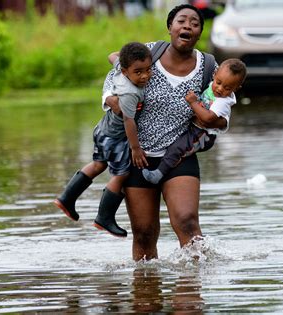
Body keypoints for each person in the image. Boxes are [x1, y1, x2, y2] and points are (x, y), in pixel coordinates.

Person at [102, 4, 228, 261]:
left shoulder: (209, 67)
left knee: (187, 222)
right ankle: (146, 294)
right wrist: (111, 100)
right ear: (170, 27)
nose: (187, 26)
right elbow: (114, 76)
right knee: (144, 233)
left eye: (194, 23)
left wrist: (218, 120)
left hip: (179, 155)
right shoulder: (148, 52)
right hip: (138, 155)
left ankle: (193, 291)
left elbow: (225, 100)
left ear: (199, 34)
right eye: (181, 21)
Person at [53, 42, 152, 238]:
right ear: (125, 72)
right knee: (121, 174)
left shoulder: (120, 68)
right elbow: (128, 120)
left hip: (102, 130)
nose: (144, 76)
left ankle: (67, 198)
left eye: (148, 70)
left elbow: (111, 55)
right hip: (116, 137)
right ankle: (104, 217)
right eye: (138, 72)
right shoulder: (130, 92)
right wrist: (135, 148)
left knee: (98, 164)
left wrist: (122, 59)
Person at [142, 58, 247, 184]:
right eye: (218, 82)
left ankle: (158, 174)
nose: (219, 89)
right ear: (215, 74)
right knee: (176, 145)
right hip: (195, 129)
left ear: (236, 88)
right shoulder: (212, 86)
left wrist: (193, 103)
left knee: (178, 148)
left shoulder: (223, 101)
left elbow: (208, 118)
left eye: (227, 88)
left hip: (203, 134)